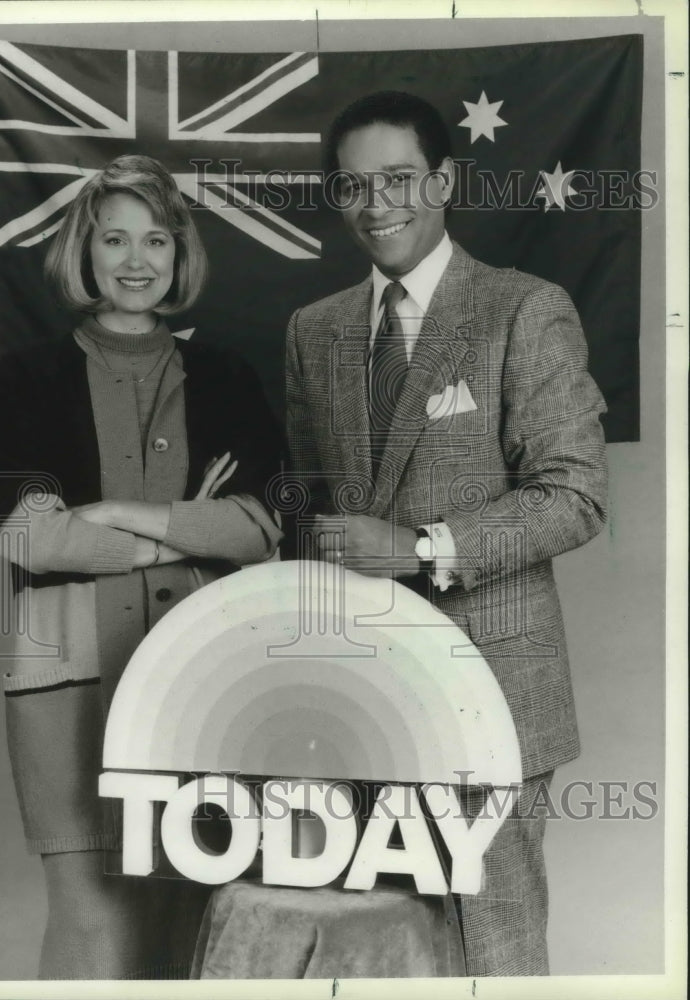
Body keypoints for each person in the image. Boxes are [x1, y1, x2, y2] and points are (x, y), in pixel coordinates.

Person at [284, 91, 608, 975]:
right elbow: (313, 511)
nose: (377, 204)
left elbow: (574, 493)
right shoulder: (314, 332)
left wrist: (424, 547)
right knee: (384, 949)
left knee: (494, 946)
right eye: (354, 185)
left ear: (444, 180)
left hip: (495, 690)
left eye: (398, 179)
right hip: (361, 695)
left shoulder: (523, 310)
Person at [0, 154, 283, 979]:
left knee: (196, 907)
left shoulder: (226, 375)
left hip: (203, 674)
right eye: (115, 239)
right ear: (85, 250)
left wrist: (111, 514)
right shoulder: (25, 377)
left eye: (156, 240)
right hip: (67, 678)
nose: (136, 260)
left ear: (181, 256)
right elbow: (15, 529)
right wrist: (177, 536)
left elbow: (260, 526)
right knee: (89, 917)